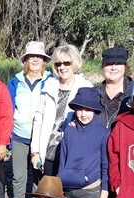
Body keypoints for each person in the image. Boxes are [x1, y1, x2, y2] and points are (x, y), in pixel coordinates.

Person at [8, 41, 57, 198]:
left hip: (42, 136)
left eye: (39, 57)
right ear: (25, 60)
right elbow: (9, 106)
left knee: (39, 174)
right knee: (19, 175)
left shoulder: (51, 80)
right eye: (31, 57)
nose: (35, 59)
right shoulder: (15, 80)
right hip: (19, 134)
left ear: (44, 60)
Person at [32, 44, 93, 176]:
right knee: (46, 192)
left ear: (74, 63)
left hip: (72, 152)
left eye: (67, 63)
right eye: (58, 63)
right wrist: (35, 151)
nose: (62, 67)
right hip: (48, 151)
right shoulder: (48, 86)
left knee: (66, 193)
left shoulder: (85, 87)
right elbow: (38, 120)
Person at [95, 47, 133, 128]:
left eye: (118, 63)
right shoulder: (93, 93)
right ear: (103, 67)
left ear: (125, 67)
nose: (113, 68)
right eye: (108, 64)